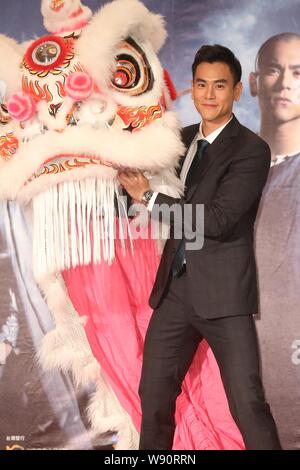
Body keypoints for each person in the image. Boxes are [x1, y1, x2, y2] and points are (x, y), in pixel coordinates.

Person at [119, 44, 281, 450]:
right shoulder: (180, 140)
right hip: (174, 292)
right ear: (191, 87)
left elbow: (218, 221)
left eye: (220, 86)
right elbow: (139, 197)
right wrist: (121, 180)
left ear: (238, 90)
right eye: (201, 84)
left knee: (247, 404)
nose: (209, 95)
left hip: (224, 296)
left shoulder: (251, 149)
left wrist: (150, 198)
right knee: (153, 399)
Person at [249, 33, 300, 449]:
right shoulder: (220, 172)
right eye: (273, 69)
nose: (285, 82)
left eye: (298, 73)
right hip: (235, 369)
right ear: (252, 82)